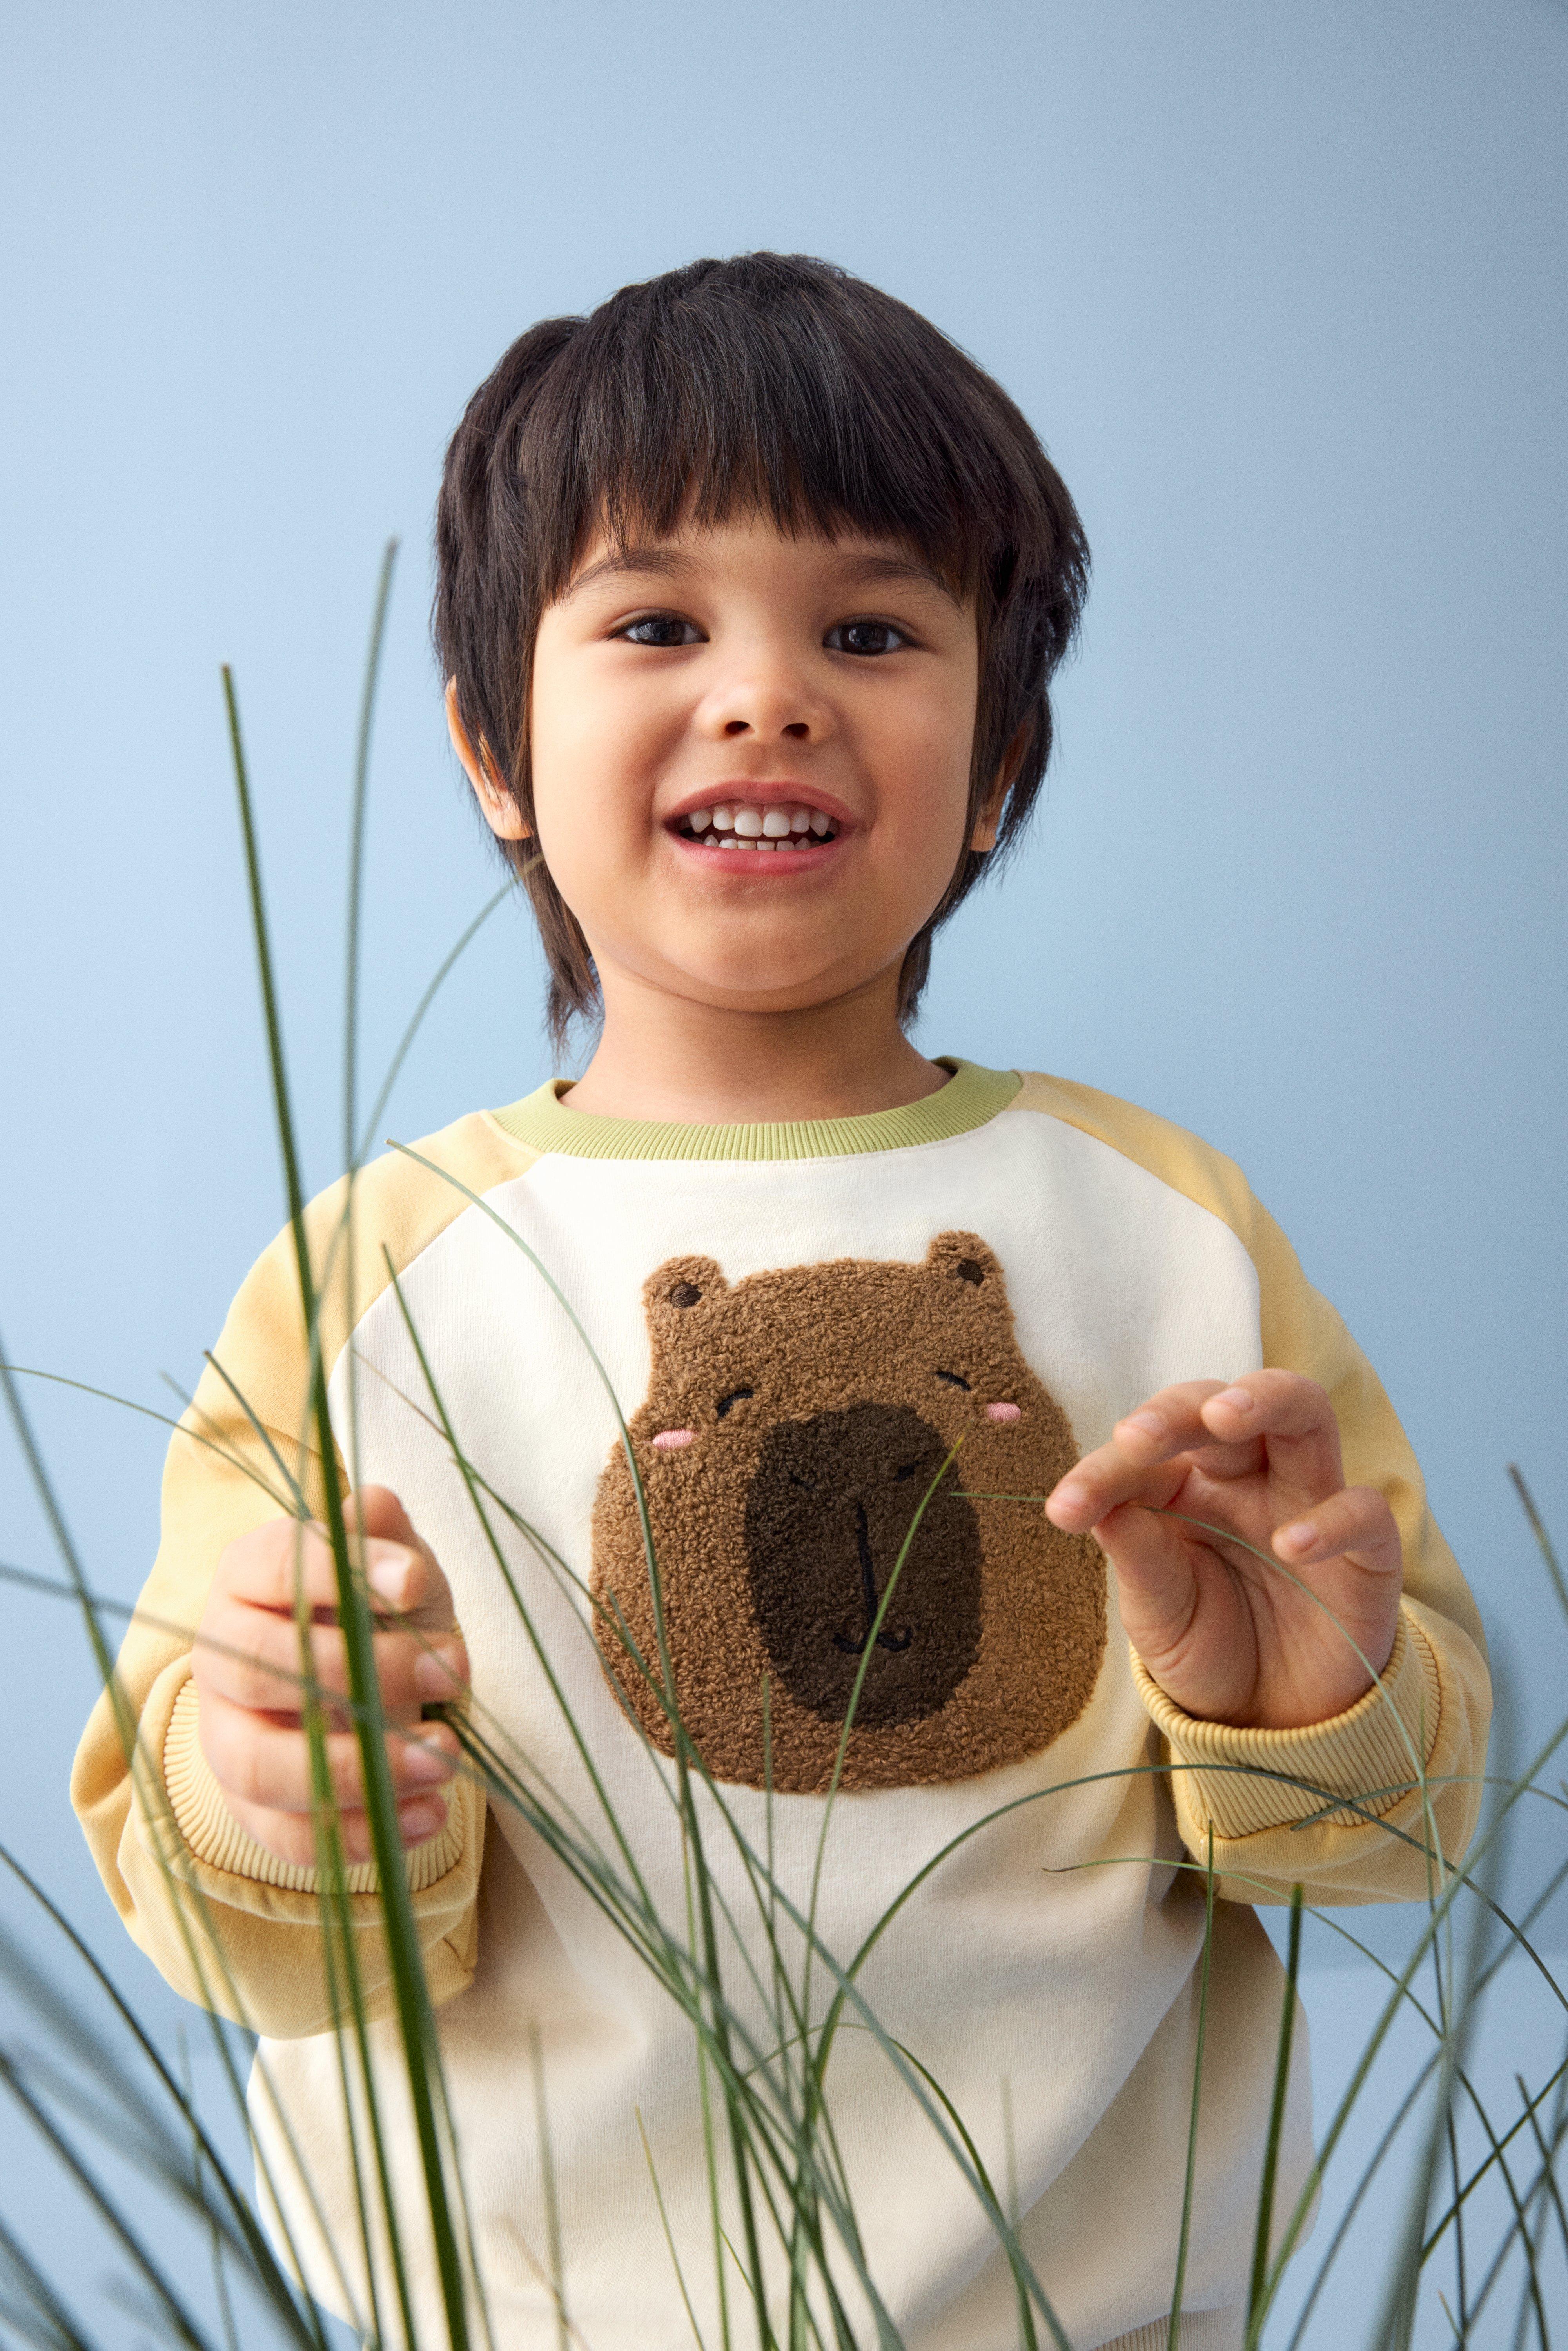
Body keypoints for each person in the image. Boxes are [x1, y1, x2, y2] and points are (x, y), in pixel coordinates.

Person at [73, 253, 1490, 2351]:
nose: (767, 695)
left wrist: (1302, 1703)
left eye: (871, 630)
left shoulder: (1171, 1228)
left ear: (1000, 762)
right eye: (658, 623)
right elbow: (227, 1911)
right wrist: (268, 1799)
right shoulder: (375, 1268)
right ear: (491, 746)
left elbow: (1386, 1836)